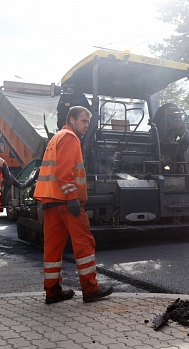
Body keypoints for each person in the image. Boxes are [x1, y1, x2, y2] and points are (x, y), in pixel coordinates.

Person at [34, 106, 114, 304]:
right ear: (72, 120)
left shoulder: (56, 138)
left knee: (52, 249)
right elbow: (64, 172)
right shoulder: (70, 138)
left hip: (50, 201)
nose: (87, 126)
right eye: (83, 121)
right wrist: (72, 197)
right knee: (84, 243)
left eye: (88, 122)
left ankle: (52, 291)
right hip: (66, 202)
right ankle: (90, 288)